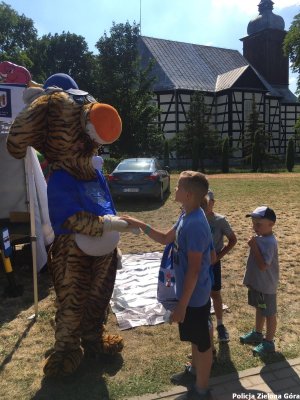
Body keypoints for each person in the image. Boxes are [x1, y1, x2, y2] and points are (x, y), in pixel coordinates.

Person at [121, 171, 213, 399]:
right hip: (186, 293)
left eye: (179, 187)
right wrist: (140, 224)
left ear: (189, 194)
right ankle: (193, 371)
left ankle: (202, 390)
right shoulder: (186, 214)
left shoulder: (195, 224)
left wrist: (182, 305)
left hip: (195, 296)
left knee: (203, 342)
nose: (175, 189)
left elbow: (194, 269)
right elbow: (165, 238)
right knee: (193, 335)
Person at [240, 206, 278, 356]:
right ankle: (257, 333)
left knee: (269, 313)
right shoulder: (261, 239)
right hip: (258, 284)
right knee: (260, 308)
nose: (254, 227)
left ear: (271, 224)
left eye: (259, 224)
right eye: (254, 224)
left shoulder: (270, 242)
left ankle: (269, 342)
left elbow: (263, 266)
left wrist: (254, 247)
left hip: (267, 286)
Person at [206, 189, 237, 342]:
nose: (205, 205)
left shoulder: (220, 220)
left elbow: (233, 239)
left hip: (213, 265)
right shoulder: (191, 217)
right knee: (200, 296)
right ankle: (204, 328)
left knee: (215, 294)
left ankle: (220, 325)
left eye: (208, 201)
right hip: (196, 265)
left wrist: (218, 257)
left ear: (213, 203)